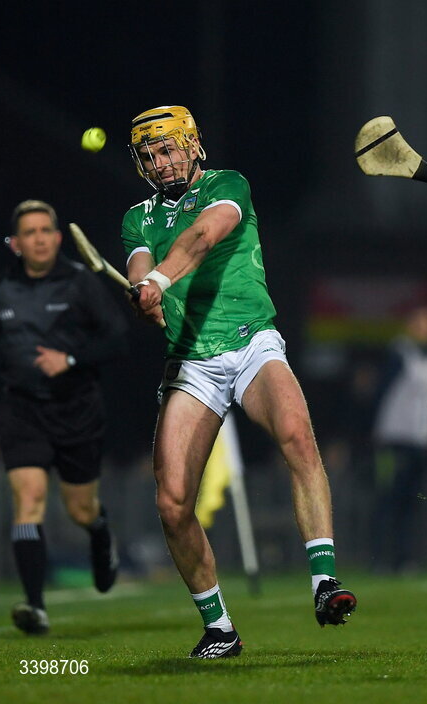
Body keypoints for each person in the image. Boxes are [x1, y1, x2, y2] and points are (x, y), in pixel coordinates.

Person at [121, 105, 356, 659]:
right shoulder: (139, 217)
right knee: (173, 503)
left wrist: (159, 277)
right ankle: (219, 627)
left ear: (193, 145)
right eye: (151, 154)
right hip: (191, 362)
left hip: (251, 342)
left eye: (170, 147)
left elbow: (204, 235)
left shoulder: (229, 185)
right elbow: (138, 264)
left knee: (297, 435)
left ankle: (324, 582)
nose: (162, 161)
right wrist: (143, 292)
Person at [0, 200, 126, 635]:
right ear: (15, 243)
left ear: (58, 239)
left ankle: (99, 534)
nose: (38, 239)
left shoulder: (80, 284)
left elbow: (117, 339)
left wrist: (72, 359)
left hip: (76, 409)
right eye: (29, 232)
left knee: (80, 509)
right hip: (22, 410)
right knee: (29, 499)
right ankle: (35, 606)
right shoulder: (1, 288)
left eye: (45, 231)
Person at [371, 306, 427, 573]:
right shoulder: (399, 354)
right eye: (424, 322)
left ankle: (405, 558)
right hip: (395, 438)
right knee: (388, 499)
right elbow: (381, 393)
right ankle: (378, 558)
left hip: (422, 440)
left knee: (411, 503)